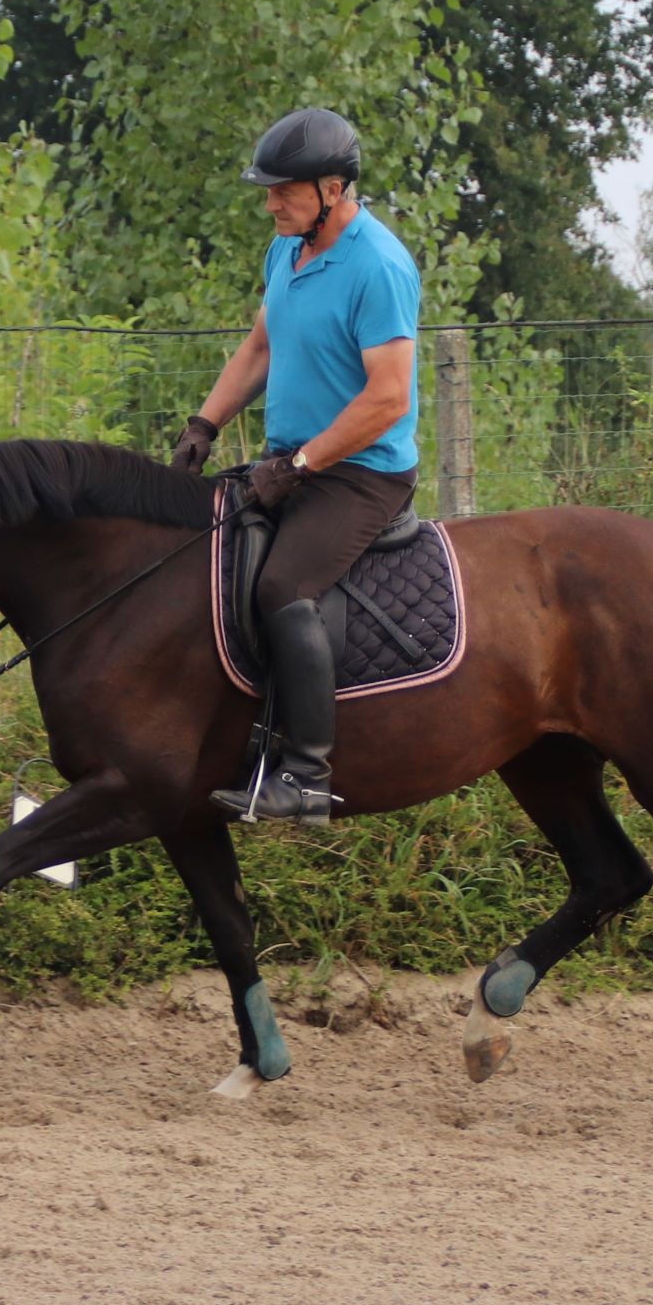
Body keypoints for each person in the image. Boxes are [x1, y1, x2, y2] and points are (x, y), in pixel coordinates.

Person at [170, 107, 422, 822]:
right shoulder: (288, 251)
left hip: (362, 472)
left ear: (335, 190)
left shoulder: (378, 265)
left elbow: (388, 398)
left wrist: (303, 463)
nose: (271, 202)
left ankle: (308, 776)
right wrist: (205, 422)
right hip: (295, 461)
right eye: (268, 189)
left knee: (283, 586)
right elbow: (259, 348)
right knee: (213, 556)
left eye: (284, 190)